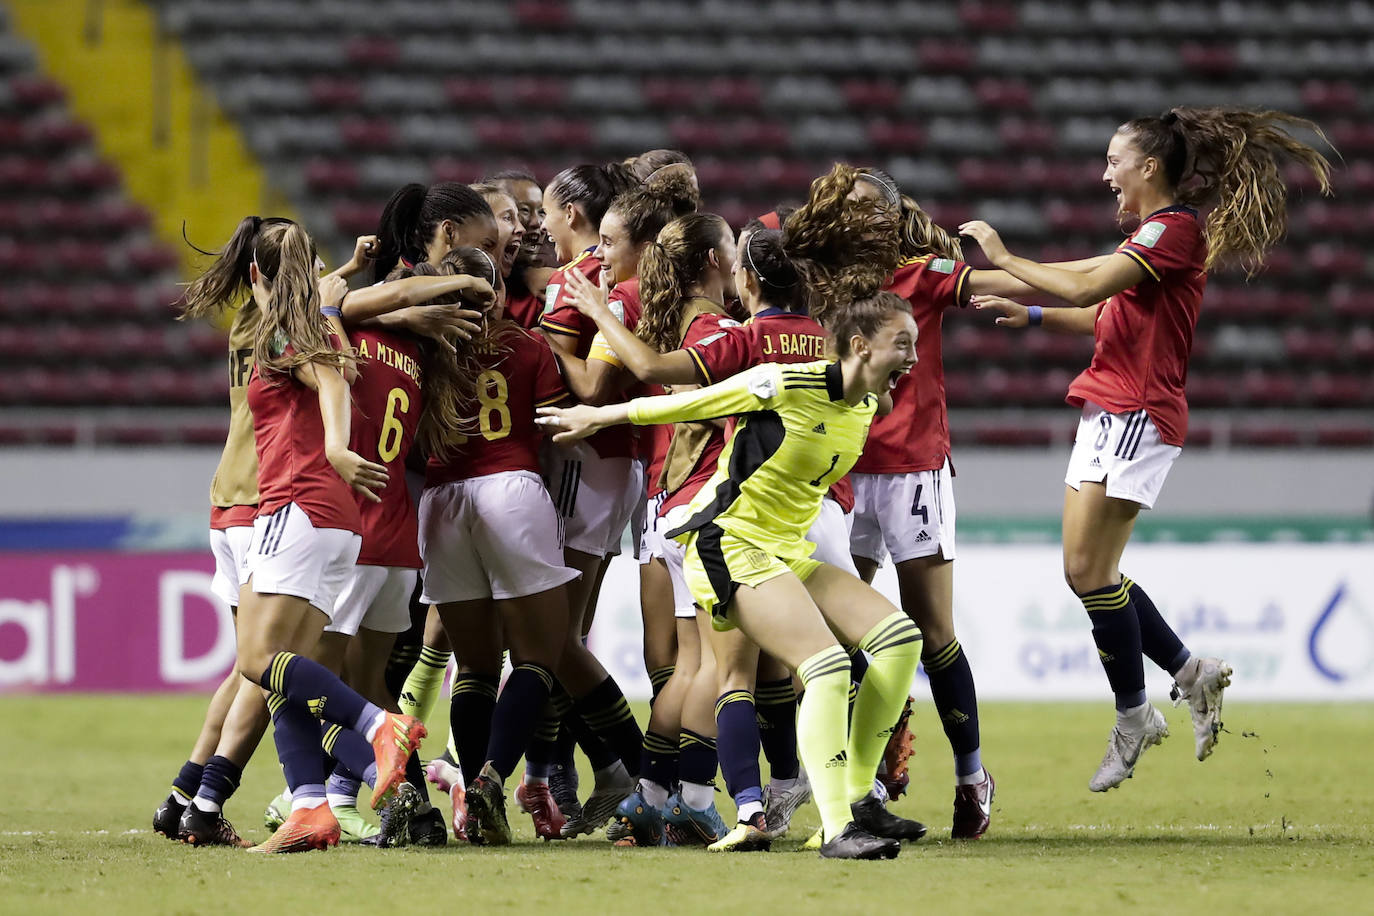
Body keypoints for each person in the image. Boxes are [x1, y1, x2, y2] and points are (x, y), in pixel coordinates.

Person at [961, 107, 1332, 792]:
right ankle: (1189, 674)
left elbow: (1086, 283)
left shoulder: (1175, 229)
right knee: (1084, 573)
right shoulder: (1151, 235)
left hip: (1138, 412)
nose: (1105, 174)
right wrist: (1032, 311)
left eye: (1113, 161)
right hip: (1108, 407)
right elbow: (1096, 311)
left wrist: (1006, 261)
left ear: (1150, 167)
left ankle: (1136, 716)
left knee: (1088, 570)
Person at [538, 290, 925, 860]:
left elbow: (861, 412)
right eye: (903, 343)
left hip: (785, 550)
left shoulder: (869, 403)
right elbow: (691, 406)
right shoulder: (784, 384)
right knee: (826, 665)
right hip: (729, 544)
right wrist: (601, 413)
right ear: (861, 346)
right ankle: (840, 828)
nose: (913, 356)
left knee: (899, 640)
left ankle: (860, 798)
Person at [226, 219, 427, 853]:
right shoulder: (316, 317)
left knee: (258, 662)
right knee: (288, 672)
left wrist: (337, 448)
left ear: (254, 275)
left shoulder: (285, 330)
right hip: (333, 519)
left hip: (298, 505)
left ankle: (378, 726)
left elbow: (333, 381)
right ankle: (311, 808)